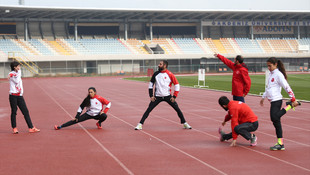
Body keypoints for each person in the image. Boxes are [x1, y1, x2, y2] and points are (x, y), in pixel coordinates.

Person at [135, 60, 191, 130]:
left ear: (165, 66)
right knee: (148, 110)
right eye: (159, 64)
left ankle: (184, 123)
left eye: (160, 64)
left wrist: (174, 96)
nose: (158, 65)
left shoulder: (170, 74)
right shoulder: (155, 74)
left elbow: (177, 85)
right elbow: (150, 85)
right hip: (157, 97)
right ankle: (140, 124)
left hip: (168, 96)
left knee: (177, 109)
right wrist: (151, 96)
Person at [260, 57, 301, 151]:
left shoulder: (278, 75)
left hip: (277, 100)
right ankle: (280, 143)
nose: (268, 68)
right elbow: (268, 87)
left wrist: (293, 99)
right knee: (276, 122)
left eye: (270, 66)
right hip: (272, 101)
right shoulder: (271, 74)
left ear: (275, 65)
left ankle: (290, 105)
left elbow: (286, 86)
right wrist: (263, 97)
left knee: (274, 118)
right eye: (267, 66)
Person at [8, 61, 40, 134]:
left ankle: (31, 127)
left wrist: (14, 73)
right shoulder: (11, 74)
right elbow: (15, 79)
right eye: (18, 66)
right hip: (13, 96)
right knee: (14, 112)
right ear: (14, 67)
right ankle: (14, 128)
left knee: (25, 111)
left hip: (19, 96)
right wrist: (11, 74)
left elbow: (16, 75)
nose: (20, 67)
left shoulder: (18, 72)